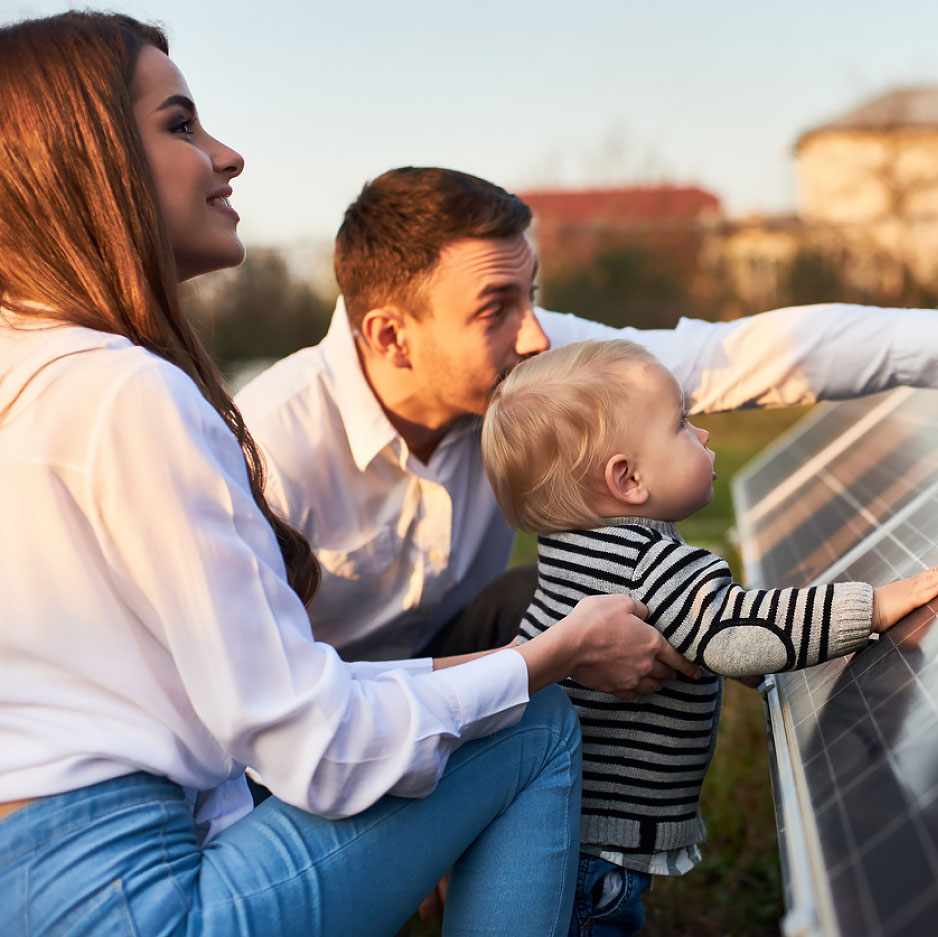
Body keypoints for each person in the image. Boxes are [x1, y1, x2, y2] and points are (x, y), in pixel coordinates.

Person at [0, 13, 701, 937]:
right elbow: (315, 748)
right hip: (133, 900)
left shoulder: (32, 373)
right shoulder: (129, 393)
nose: (228, 153)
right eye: (180, 125)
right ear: (86, 163)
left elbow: (280, 708)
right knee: (534, 721)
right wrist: (550, 658)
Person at [236, 166, 938, 666]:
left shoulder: (531, 367)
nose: (537, 335)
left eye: (531, 294)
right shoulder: (268, 450)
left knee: (585, 594)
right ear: (392, 336)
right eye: (495, 308)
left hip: (468, 655)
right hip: (320, 729)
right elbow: (269, 705)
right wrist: (548, 659)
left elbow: (739, 356)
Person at [480, 337, 938, 936]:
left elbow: (693, 635)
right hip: (597, 858)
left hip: (549, 827)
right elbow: (734, 630)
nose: (702, 435)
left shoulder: (569, 555)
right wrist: (874, 606)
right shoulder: (654, 562)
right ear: (628, 479)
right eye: (682, 424)